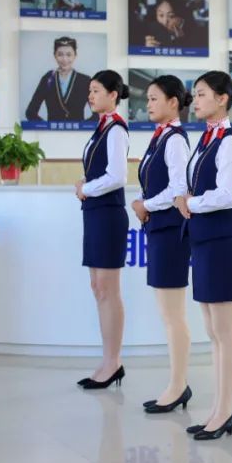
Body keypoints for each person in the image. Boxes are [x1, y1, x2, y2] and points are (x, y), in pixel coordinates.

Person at [176, 71, 232, 441]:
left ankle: (226, 410)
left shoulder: (229, 142)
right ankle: (218, 409)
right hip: (203, 238)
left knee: (224, 330)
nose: (196, 101)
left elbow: (226, 195)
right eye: (195, 94)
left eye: (202, 94)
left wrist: (191, 203)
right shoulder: (205, 139)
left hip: (220, 240)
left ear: (222, 99)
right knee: (212, 330)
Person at [132, 76, 194, 413]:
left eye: (154, 98)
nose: (148, 104)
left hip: (171, 231)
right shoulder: (160, 137)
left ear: (173, 102)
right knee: (168, 313)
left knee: (173, 315)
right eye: (148, 99)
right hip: (159, 229)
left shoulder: (174, 140)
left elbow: (178, 189)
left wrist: (146, 204)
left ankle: (178, 385)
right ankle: (176, 383)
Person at [75, 70, 131, 391]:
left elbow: (118, 176)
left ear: (113, 95)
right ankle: (108, 360)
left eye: (96, 90)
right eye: (90, 91)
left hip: (108, 215)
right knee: (98, 286)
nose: (90, 96)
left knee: (108, 289)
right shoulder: (101, 128)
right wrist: (87, 185)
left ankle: (113, 362)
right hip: (95, 214)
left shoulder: (116, 129)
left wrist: (86, 188)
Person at [25, 36, 94, 125]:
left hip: (77, 132)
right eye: (60, 54)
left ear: (75, 56)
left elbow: (98, 114)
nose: (64, 59)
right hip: (53, 132)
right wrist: (47, 127)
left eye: (69, 55)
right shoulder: (47, 78)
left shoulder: (85, 80)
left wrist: (82, 127)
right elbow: (30, 112)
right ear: (55, 55)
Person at [141, 0, 206, 49]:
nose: (165, 22)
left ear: (181, 17)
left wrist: (181, 40)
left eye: (171, 16)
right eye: (161, 15)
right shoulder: (152, 28)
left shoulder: (197, 34)